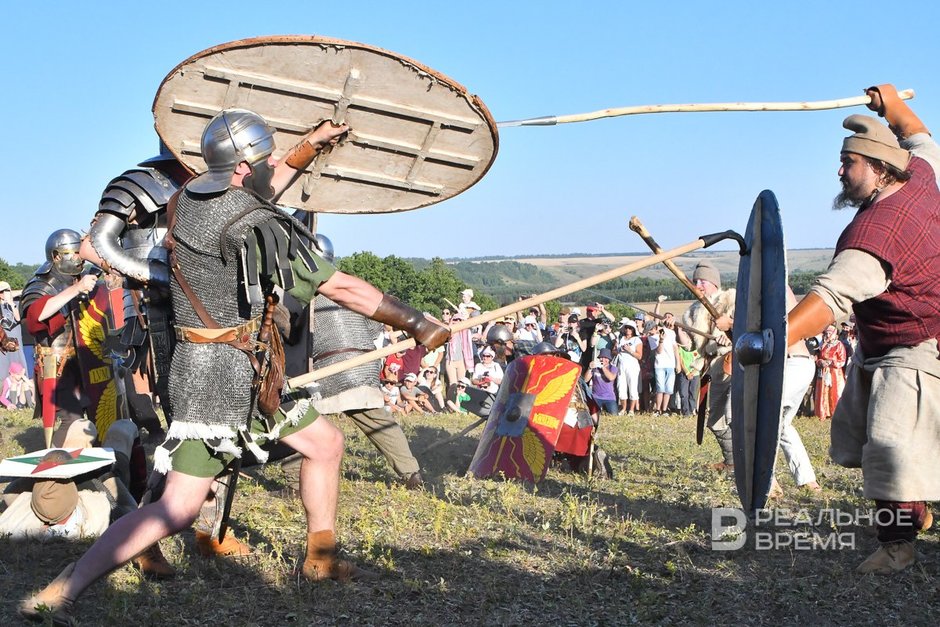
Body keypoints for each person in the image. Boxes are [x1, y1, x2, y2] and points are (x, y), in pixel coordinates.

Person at [20, 108, 450, 624]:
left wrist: (311, 144)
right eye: (266, 157)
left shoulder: (188, 200)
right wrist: (416, 322)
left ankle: (320, 558)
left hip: (230, 368)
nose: (272, 164)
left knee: (325, 444)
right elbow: (339, 287)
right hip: (224, 378)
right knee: (178, 507)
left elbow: (257, 192)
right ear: (244, 166)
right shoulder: (252, 221)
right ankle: (64, 588)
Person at [786, 85, 939, 574]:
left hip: (911, 348)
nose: (839, 171)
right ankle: (917, 512)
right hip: (893, 341)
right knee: (881, 441)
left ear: (878, 168)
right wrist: (889, 103)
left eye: (847, 162)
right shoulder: (922, 175)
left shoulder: (876, 234)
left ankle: (898, 546)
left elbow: (830, 297)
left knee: (888, 448)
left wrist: (774, 341)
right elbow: (918, 134)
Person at [679, 260, 735, 469]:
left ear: (714, 283)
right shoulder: (693, 311)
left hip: (734, 363)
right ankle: (732, 461)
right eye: (696, 282)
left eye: (703, 281)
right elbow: (690, 345)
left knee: (734, 416)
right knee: (715, 422)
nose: (698, 285)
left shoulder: (732, 301)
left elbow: (745, 328)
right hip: (713, 367)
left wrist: (729, 337)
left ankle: (748, 462)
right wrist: (677, 329)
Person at [813, 324, 847, 420]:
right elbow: (818, 357)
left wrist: (831, 362)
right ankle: (823, 412)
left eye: (829, 333)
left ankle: (835, 412)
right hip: (824, 371)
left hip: (835, 373)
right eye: (826, 333)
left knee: (835, 391)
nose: (828, 335)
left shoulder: (839, 345)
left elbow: (842, 361)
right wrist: (821, 362)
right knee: (823, 391)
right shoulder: (824, 345)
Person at [615, 322, 642, 415]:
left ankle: (631, 409)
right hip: (621, 365)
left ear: (633, 329)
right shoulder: (620, 338)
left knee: (633, 387)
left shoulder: (636, 340)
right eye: (626, 327)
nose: (628, 330)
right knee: (621, 386)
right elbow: (614, 351)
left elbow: (639, 356)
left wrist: (630, 350)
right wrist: (618, 349)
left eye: (630, 328)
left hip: (632, 366)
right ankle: (623, 408)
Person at [585, 348, 618, 414]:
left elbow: (611, 378)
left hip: (609, 397)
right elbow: (585, 380)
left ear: (609, 359)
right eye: (601, 357)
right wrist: (589, 368)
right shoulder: (595, 368)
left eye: (605, 358)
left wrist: (602, 367)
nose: (603, 359)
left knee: (614, 414)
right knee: (592, 414)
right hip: (596, 396)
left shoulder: (613, 368)